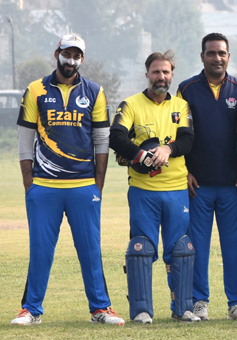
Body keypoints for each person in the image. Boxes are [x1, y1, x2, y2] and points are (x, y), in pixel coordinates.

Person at [12, 34, 125, 326]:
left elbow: (102, 141)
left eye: (76, 55)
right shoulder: (35, 90)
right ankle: (31, 310)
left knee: (90, 250)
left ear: (82, 59)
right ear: (57, 54)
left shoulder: (95, 92)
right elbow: (25, 142)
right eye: (66, 54)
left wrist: (96, 185)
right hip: (44, 187)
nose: (70, 60)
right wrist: (30, 184)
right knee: (40, 251)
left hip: (83, 186)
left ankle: (101, 308)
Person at [109, 50, 198, 323]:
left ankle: (182, 309)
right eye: (156, 72)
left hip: (176, 190)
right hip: (143, 191)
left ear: (172, 75)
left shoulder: (181, 106)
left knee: (181, 249)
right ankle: (141, 311)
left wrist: (167, 149)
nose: (161, 77)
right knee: (141, 249)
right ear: (146, 74)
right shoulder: (131, 104)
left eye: (166, 72)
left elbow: (188, 140)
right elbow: (116, 136)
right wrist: (140, 155)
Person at [176, 32, 237, 321]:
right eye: (211, 53)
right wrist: (184, 171)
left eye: (222, 53)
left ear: (228, 56)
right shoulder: (186, 89)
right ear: (202, 57)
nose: (217, 58)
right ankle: (199, 302)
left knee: (233, 247)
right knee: (198, 246)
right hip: (198, 186)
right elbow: (178, 135)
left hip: (231, 186)